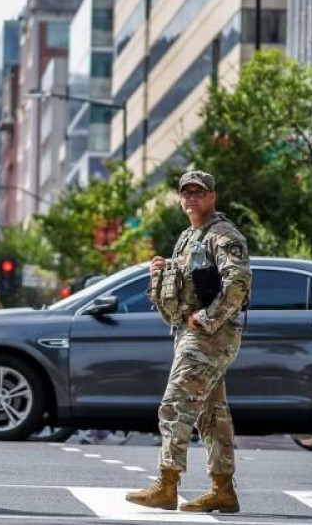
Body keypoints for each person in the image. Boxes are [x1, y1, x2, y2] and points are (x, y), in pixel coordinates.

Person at [127, 170, 250, 514]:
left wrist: (208, 320)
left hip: (209, 336)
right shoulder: (187, 237)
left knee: (175, 404)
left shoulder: (222, 235)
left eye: (199, 192)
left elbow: (238, 281)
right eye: (186, 192)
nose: (192, 198)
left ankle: (167, 485)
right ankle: (223, 490)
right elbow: (182, 287)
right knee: (212, 414)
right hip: (190, 333)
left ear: (213, 197)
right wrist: (160, 274)